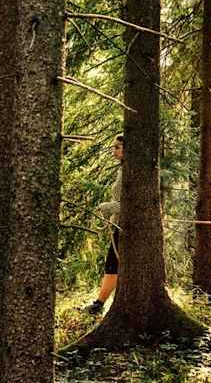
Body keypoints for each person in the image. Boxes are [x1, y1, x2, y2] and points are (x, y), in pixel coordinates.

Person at [85, 135, 123, 315]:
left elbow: (131, 204)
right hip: (120, 225)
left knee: (112, 266)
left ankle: (98, 305)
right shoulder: (123, 170)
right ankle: (99, 304)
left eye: (117, 147)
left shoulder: (129, 172)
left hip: (125, 227)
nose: (114, 150)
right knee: (113, 265)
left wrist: (107, 207)